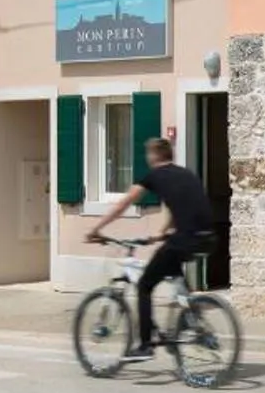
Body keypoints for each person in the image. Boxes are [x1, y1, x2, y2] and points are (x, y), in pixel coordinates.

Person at [88, 136, 215, 360]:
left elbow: (123, 204)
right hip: (207, 237)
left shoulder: (154, 175)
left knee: (145, 285)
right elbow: (181, 208)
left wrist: (96, 229)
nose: (148, 158)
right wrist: (160, 234)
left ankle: (145, 345)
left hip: (183, 239)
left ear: (154, 156)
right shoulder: (185, 173)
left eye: (149, 154)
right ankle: (190, 317)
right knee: (173, 268)